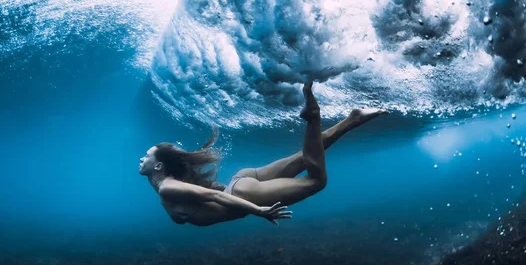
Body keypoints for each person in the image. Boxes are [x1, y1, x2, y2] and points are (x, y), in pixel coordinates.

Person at [139, 82, 387, 226]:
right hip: (242, 182)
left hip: (246, 193)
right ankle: (354, 119)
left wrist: (260, 211)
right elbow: (216, 193)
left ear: (159, 167)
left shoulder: (167, 188)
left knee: (316, 181)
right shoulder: (168, 186)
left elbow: (218, 196)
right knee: (304, 156)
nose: (142, 159)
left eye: (146, 156)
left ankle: (313, 116)